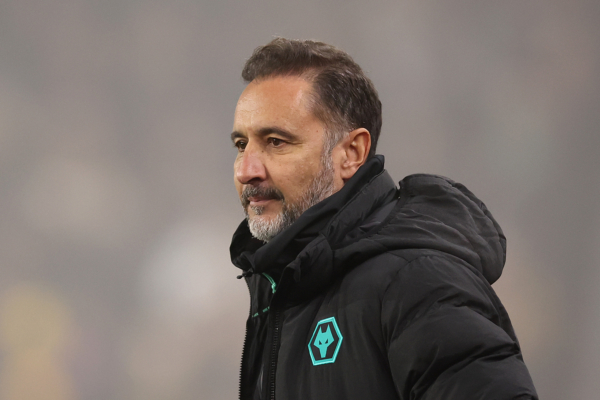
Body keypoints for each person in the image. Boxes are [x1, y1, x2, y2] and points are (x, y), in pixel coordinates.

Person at [229, 38, 538, 400]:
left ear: (352, 153)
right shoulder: (282, 289)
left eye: (276, 142)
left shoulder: (417, 282)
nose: (247, 169)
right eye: (241, 145)